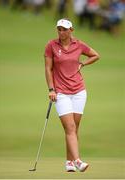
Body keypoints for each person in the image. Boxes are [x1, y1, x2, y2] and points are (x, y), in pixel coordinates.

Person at [44, 18, 100, 172]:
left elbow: (95, 55)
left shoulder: (79, 44)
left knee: (74, 129)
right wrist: (51, 89)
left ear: (71, 30)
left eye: (64, 29)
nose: (61, 32)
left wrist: (83, 63)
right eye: (59, 29)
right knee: (69, 127)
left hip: (79, 92)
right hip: (61, 92)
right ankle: (78, 161)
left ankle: (69, 162)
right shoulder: (51, 45)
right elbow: (48, 69)